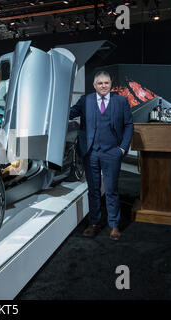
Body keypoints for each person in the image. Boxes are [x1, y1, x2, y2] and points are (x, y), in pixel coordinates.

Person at [69, 71, 134, 241]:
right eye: (100, 83)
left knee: (111, 190)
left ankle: (114, 225)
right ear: (94, 85)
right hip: (91, 153)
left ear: (111, 83)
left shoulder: (121, 101)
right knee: (93, 190)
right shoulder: (86, 100)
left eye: (106, 82)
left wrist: (122, 149)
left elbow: (128, 125)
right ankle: (94, 223)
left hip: (112, 152)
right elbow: (69, 113)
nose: (104, 86)